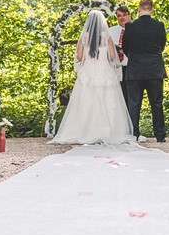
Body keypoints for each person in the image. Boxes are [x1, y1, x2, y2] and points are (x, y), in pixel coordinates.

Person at [51, 11, 135, 145]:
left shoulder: (84, 37)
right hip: (104, 71)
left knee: (85, 101)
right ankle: (108, 131)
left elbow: (78, 57)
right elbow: (112, 57)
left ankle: (83, 131)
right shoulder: (106, 36)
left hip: (88, 72)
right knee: (107, 101)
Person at [122, 0, 166, 143]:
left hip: (135, 69)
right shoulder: (159, 26)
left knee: (134, 104)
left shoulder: (130, 27)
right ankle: (160, 135)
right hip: (155, 69)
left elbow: (126, 47)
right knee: (157, 103)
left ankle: (134, 133)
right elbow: (162, 45)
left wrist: (136, 57)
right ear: (152, 10)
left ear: (138, 9)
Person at [107, 6, 131, 104]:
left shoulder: (136, 29)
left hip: (131, 67)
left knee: (131, 98)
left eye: (124, 15)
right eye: (119, 16)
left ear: (129, 15)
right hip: (115, 68)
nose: (122, 18)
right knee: (118, 98)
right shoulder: (110, 31)